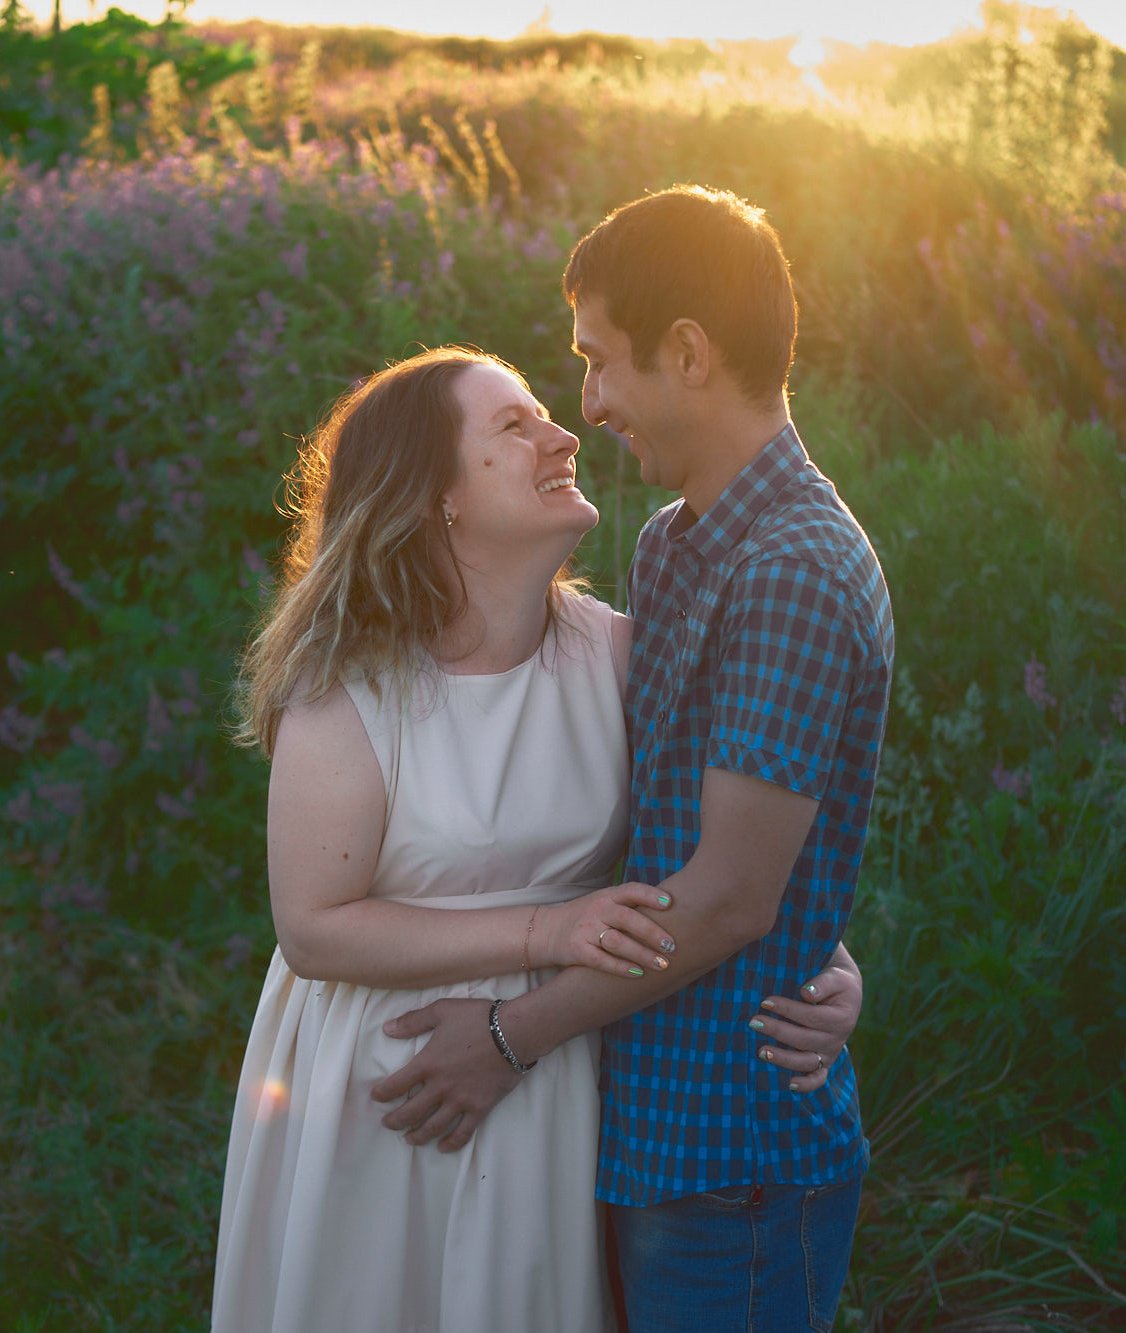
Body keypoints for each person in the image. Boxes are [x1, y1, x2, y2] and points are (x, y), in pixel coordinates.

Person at [213, 344, 863, 1332]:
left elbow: (732, 847)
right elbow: (312, 928)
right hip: (389, 1078)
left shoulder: (614, 651)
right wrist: (545, 933)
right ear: (437, 496)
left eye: (546, 414)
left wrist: (826, 961)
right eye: (514, 426)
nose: (563, 434)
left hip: (547, 1070)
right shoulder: (348, 686)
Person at [372, 186, 895, 1333]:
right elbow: (681, 821)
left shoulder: (795, 567)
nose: (589, 403)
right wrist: (818, 934)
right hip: (633, 1125)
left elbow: (725, 898)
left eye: (599, 363)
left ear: (687, 353)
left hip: (732, 1156)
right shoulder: (675, 545)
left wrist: (506, 1040)